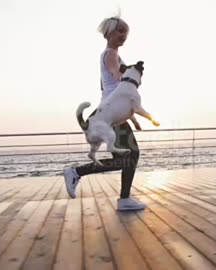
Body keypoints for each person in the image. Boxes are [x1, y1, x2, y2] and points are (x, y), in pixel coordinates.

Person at [63, 16, 146, 211]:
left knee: (128, 156)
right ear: (109, 32)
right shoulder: (110, 55)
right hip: (110, 117)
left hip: (112, 114)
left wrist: (131, 117)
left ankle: (123, 197)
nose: (123, 35)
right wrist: (127, 78)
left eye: (125, 32)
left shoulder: (112, 55)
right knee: (130, 156)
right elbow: (116, 76)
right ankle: (76, 171)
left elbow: (108, 90)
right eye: (119, 31)